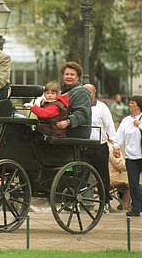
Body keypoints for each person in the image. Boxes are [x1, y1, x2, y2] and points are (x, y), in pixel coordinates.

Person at [83, 84, 118, 214]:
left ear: (94, 93)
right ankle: (79, 201)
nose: (87, 95)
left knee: (102, 176)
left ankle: (105, 203)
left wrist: (115, 145)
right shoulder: (79, 106)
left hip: (99, 146)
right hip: (83, 146)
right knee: (81, 174)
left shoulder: (102, 107)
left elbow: (110, 126)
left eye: (89, 92)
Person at [113, 95, 142, 217]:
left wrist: (139, 125)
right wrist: (116, 147)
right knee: (133, 183)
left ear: (138, 105)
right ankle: (136, 208)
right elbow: (119, 136)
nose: (130, 105)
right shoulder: (126, 121)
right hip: (131, 157)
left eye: (132, 103)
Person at [54, 61, 92, 138]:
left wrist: (68, 122)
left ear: (78, 77)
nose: (69, 77)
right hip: (63, 135)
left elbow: (82, 113)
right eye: (66, 74)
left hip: (75, 137)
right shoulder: (61, 92)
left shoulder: (82, 92)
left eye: (72, 75)